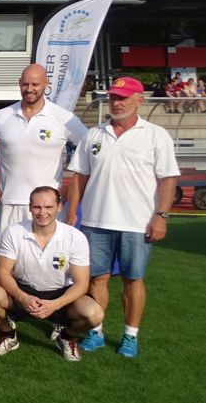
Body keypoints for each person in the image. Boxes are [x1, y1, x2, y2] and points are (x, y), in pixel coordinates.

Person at [67, 76, 178, 358]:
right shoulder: (94, 135)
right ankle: (96, 331)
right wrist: (71, 213)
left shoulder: (155, 135)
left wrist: (161, 215)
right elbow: (79, 177)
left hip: (136, 223)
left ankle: (130, 336)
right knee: (96, 279)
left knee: (133, 278)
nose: (117, 103)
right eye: (114, 98)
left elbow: (167, 180)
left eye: (123, 98)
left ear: (139, 100)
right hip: (95, 221)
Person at [0, 186, 104, 361]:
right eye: (37, 207)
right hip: (23, 290)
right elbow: (2, 272)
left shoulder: (75, 237)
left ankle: (67, 338)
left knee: (95, 314)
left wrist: (55, 304)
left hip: (60, 294)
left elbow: (81, 283)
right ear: (30, 208)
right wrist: (23, 297)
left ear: (59, 207)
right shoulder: (13, 232)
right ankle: (8, 335)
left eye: (48, 207)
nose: (42, 212)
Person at [0, 63, 88, 241]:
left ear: (46, 84)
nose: (29, 89)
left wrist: (70, 188)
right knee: (6, 263)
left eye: (35, 84)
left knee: (44, 261)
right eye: (25, 84)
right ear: (19, 83)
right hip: (8, 203)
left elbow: (88, 149)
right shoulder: (2, 116)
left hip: (45, 207)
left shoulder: (63, 118)